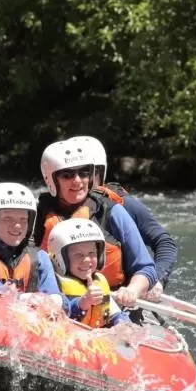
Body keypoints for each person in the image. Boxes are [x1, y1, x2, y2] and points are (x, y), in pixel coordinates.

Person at [34, 140, 158, 310]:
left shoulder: (112, 212)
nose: (78, 181)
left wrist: (132, 290)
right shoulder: (39, 215)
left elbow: (145, 267)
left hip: (112, 306)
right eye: (67, 175)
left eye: (84, 173)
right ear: (52, 180)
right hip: (59, 305)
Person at [68, 135, 179, 298]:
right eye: (69, 174)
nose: (78, 180)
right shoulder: (51, 209)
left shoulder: (121, 206)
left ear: (100, 173)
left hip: (120, 297)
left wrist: (157, 280)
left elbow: (164, 242)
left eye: (87, 171)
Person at [47, 219, 130, 328]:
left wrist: (125, 325)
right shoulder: (53, 284)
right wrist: (83, 303)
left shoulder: (99, 282)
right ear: (59, 257)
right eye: (78, 255)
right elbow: (57, 320)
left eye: (92, 253)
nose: (87, 260)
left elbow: (115, 315)